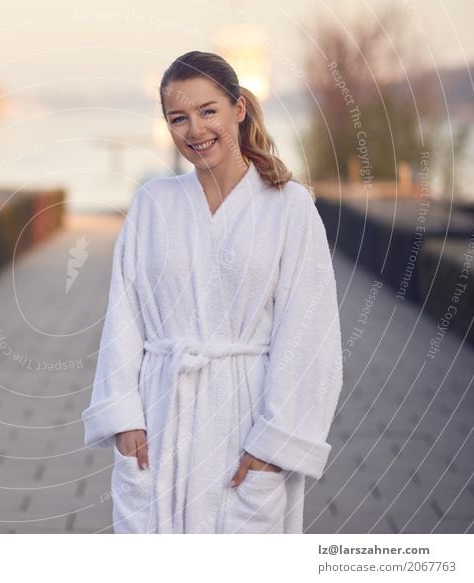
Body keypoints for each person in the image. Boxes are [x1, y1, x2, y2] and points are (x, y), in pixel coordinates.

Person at [81, 51, 344, 534]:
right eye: (178, 118)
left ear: (238, 109)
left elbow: (309, 335)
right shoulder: (153, 203)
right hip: (162, 416)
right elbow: (124, 315)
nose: (195, 130)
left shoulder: (290, 208)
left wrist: (274, 447)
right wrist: (124, 420)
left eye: (208, 111)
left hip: (245, 420)